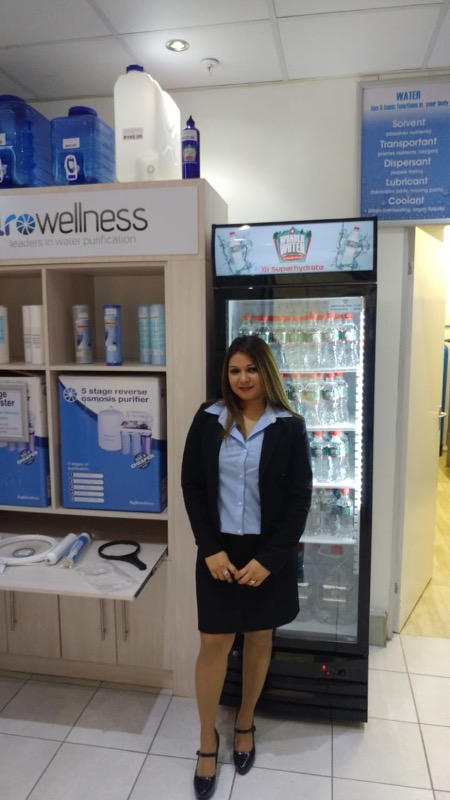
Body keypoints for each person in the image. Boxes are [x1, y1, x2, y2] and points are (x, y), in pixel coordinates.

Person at [181, 334, 312, 800]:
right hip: (218, 549)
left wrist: (269, 560)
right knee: (213, 642)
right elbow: (192, 486)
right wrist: (209, 548)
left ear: (266, 372)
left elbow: (299, 499)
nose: (243, 378)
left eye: (251, 369)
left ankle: (244, 722)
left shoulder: (289, 427)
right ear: (227, 375)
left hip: (266, 553)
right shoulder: (208, 418)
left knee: (259, 637)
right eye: (235, 370)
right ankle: (205, 740)